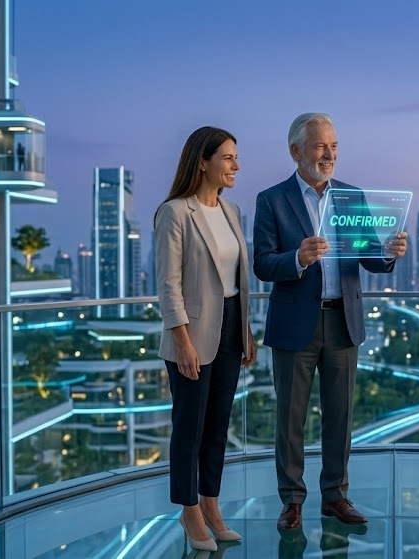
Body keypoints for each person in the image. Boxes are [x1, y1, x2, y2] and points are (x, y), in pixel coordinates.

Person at [253, 112, 407, 532]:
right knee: (290, 419)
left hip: (343, 322)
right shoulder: (272, 200)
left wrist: (391, 251)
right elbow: (262, 264)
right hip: (294, 326)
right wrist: (297, 259)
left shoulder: (351, 197)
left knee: (339, 417)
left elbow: (371, 257)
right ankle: (292, 501)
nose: (330, 154)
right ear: (296, 151)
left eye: (334, 146)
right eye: (321, 146)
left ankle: (335, 497)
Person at [155, 126, 257, 552]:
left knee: (217, 427)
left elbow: (237, 279)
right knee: (189, 429)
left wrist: (247, 329)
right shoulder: (175, 212)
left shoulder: (231, 211)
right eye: (228, 158)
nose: (236, 165)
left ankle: (212, 505)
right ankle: (189, 510)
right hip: (192, 334)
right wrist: (181, 341)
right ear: (203, 161)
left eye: (236, 158)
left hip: (231, 327)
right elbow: (168, 284)